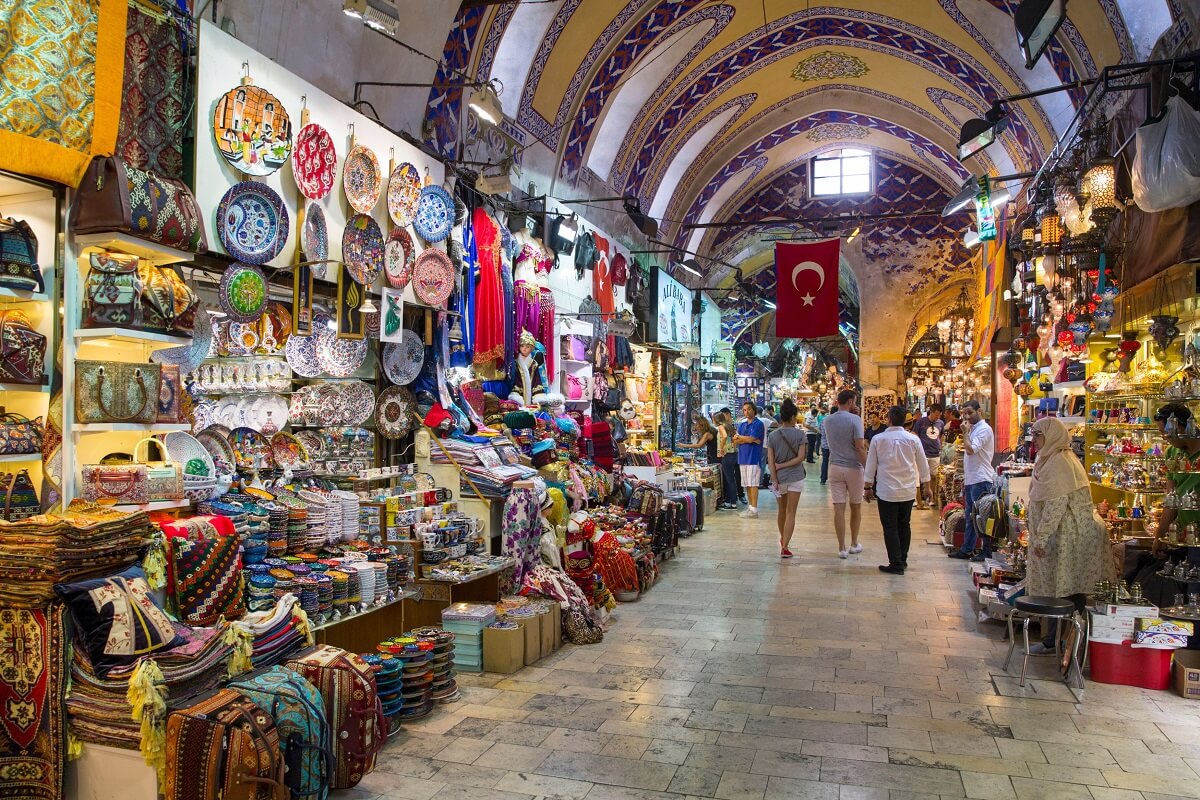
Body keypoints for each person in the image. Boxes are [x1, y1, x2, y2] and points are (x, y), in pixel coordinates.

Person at [1025, 417, 1109, 651]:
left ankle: (1065, 644)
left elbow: (1056, 504)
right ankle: (1057, 641)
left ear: (1051, 435)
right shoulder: (1049, 458)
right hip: (1062, 535)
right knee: (1060, 586)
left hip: (1072, 536)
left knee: (1068, 589)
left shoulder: (1061, 461)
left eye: (1039, 435)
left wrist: (1041, 536)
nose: (1035, 441)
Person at [864, 406, 931, 575]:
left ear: (889, 420)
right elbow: (923, 464)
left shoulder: (878, 439)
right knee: (904, 524)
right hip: (907, 490)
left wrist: (867, 487)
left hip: (886, 490)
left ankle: (896, 563)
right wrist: (927, 486)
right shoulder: (913, 439)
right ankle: (902, 559)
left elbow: (870, 466)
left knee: (890, 527)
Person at [949, 400, 996, 560]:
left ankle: (986, 551)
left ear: (979, 411)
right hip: (973, 479)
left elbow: (970, 451)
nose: (967, 416)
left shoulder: (984, 430)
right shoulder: (974, 429)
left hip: (982, 479)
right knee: (970, 516)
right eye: (964, 413)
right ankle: (967, 549)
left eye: (970, 412)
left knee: (981, 517)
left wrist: (965, 433)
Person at [824, 389, 868, 558]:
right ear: (850, 401)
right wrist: (870, 470)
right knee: (855, 506)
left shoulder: (828, 420)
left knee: (838, 508)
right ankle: (854, 543)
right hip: (853, 468)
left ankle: (841, 548)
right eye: (855, 402)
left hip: (834, 467)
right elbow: (859, 447)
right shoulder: (855, 420)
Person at [767, 399, 808, 558]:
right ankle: (784, 546)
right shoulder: (800, 434)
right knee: (791, 512)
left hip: (779, 479)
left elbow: (770, 461)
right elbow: (801, 458)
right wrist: (784, 466)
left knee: (782, 511)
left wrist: (774, 477)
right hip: (796, 477)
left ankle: (784, 540)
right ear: (792, 417)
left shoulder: (773, 435)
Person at [734, 401, 766, 518]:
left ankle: (754, 509)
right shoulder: (742, 424)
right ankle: (750, 507)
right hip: (742, 458)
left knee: (753, 484)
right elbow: (736, 440)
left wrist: (744, 438)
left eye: (748, 409)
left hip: (753, 458)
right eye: (744, 410)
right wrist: (747, 439)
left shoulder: (758, 424)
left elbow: (751, 439)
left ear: (754, 410)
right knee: (747, 484)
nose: (746, 412)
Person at [912, 404, 945, 510]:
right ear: (931, 412)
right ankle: (919, 499)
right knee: (920, 477)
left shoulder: (940, 423)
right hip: (922, 453)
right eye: (936, 415)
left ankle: (931, 498)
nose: (938, 417)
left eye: (939, 415)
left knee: (933, 476)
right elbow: (914, 434)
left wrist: (940, 445)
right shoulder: (921, 422)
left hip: (935, 453)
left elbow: (941, 436)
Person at [720, 406, 746, 504]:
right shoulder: (725, 425)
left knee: (737, 476)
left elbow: (738, 439)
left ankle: (740, 495)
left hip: (736, 453)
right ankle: (734, 497)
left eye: (723, 416)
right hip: (732, 453)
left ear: (728, 414)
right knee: (732, 477)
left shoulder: (736, 424)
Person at [714, 411, 740, 510]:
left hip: (726, 455)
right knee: (731, 479)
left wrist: (721, 448)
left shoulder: (721, 427)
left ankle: (732, 503)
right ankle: (730, 501)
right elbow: (736, 438)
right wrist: (733, 447)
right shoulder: (729, 426)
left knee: (729, 480)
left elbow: (724, 436)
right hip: (733, 454)